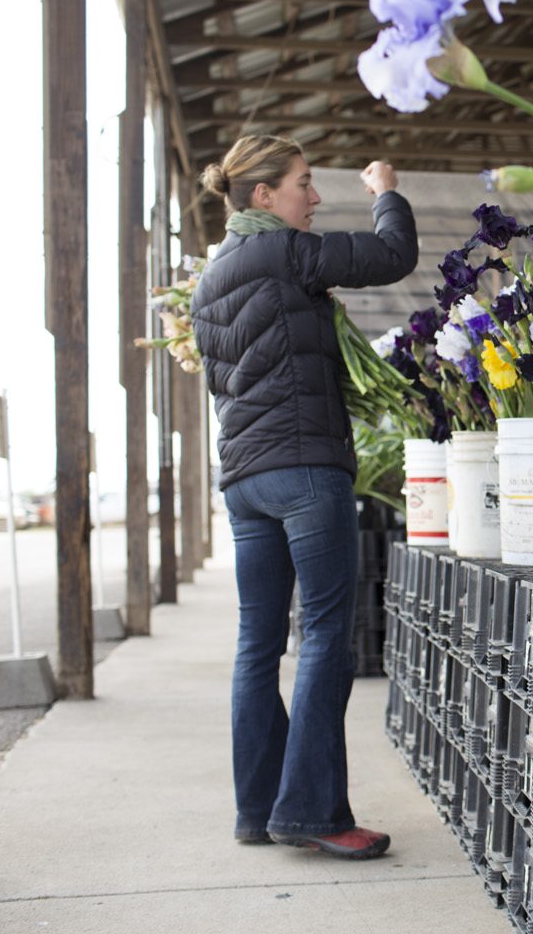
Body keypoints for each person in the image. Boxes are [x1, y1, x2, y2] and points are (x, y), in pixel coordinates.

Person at [191, 135, 417, 860]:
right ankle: (314, 813)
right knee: (324, 637)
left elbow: (222, 385)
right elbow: (391, 257)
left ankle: (258, 810)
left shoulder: (209, 278)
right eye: (303, 184)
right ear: (263, 196)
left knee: (258, 645)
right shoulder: (286, 253)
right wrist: (384, 188)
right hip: (305, 469)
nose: (313, 198)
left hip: (245, 480)